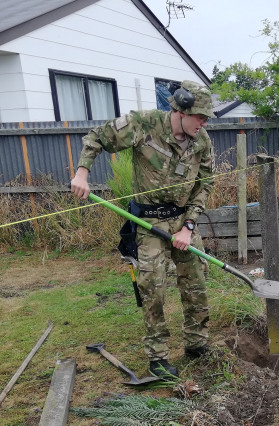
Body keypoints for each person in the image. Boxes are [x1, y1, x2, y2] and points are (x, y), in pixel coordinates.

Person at [71, 80, 216, 378]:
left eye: (206, 119)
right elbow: (97, 136)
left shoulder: (202, 141)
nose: (203, 123)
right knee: (153, 290)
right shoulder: (143, 124)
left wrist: (188, 226)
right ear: (180, 108)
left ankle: (196, 343)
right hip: (148, 223)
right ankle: (159, 356)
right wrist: (82, 173)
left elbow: (205, 184)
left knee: (196, 285)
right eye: (200, 116)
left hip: (183, 222)